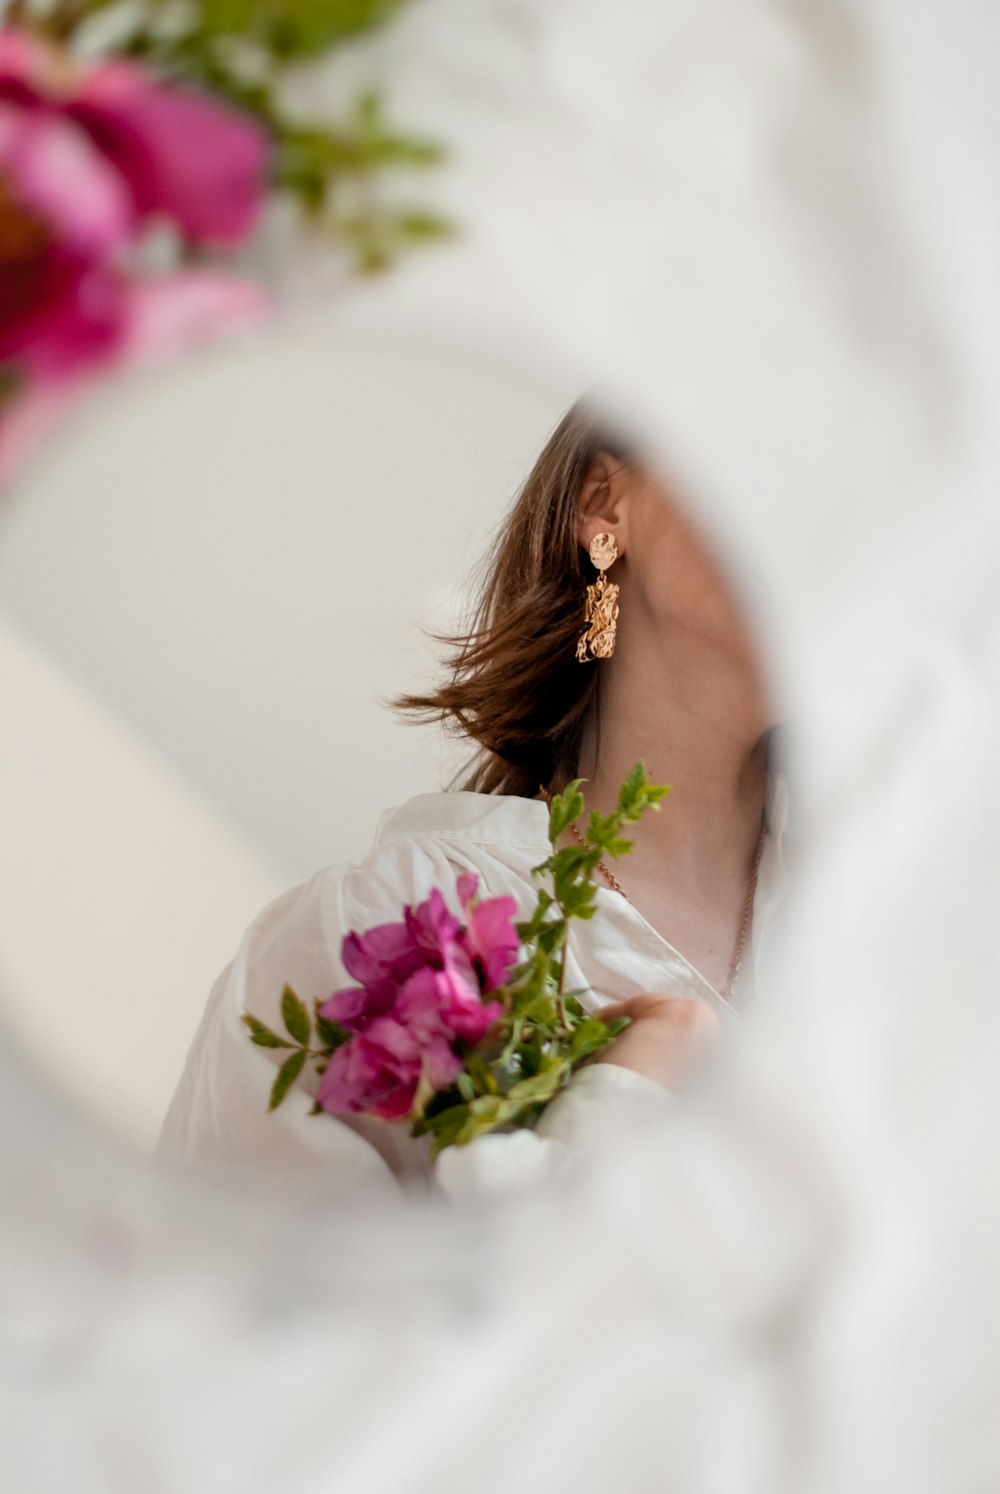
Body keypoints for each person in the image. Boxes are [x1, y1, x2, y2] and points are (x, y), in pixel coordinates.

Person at [156, 399, 790, 1199]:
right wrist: (614, 1117)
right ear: (605, 505)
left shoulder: (909, 903)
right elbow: (244, 1309)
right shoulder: (374, 932)